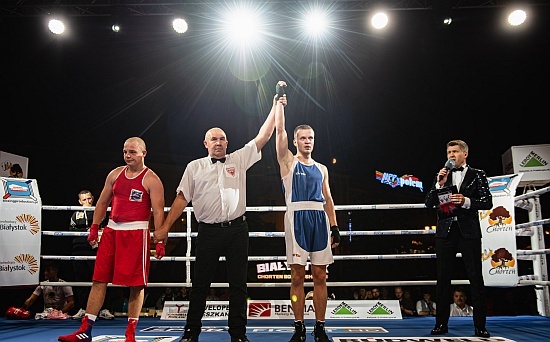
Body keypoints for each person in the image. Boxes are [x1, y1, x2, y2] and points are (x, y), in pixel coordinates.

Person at [153, 83, 282, 342]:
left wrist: (275, 106)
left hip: (237, 230)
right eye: (214, 138)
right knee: (200, 285)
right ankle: (191, 332)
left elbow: (264, 136)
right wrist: (165, 228)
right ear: (205, 143)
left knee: (238, 285)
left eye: (223, 138)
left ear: (227, 143)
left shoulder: (238, 159)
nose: (219, 142)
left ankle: (238, 334)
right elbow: (180, 199)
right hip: (209, 232)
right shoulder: (194, 167)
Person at [58, 136, 165, 342]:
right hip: (111, 231)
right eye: (125, 151)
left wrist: (160, 240)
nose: (127, 155)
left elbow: (158, 212)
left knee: (136, 284)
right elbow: (101, 202)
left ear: (144, 153)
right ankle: (85, 330)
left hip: (137, 233)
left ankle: (130, 333)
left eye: (132, 151)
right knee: (99, 279)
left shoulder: (152, 179)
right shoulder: (115, 174)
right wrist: (95, 226)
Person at [274, 81, 340, 342]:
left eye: (310, 138)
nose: (307, 141)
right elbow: (279, 131)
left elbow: (328, 198)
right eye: (302, 138)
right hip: (296, 219)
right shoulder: (287, 161)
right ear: (295, 140)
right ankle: (299, 324)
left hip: (320, 221)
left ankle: (320, 326)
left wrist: (335, 226)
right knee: (297, 277)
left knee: (321, 276)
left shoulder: (322, 168)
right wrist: (280, 102)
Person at [425, 139, 492, 338]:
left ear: (465, 153)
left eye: (455, 151)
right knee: (443, 279)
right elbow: (429, 202)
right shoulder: (442, 175)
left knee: (475, 278)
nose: (451, 155)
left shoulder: (477, 174)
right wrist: (439, 184)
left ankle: (480, 326)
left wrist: (466, 201)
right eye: (448, 152)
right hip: (446, 231)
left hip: (468, 231)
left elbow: (487, 202)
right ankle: (440, 325)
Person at [69, 190, 113, 320]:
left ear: (92, 199)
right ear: (79, 201)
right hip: (79, 249)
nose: (87, 202)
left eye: (89, 199)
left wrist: (98, 231)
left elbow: (106, 228)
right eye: (84, 200)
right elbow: (71, 231)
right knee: (81, 280)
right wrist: (86, 232)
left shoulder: (100, 212)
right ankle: (83, 308)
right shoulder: (75, 214)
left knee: (100, 279)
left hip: (96, 250)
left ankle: (104, 309)